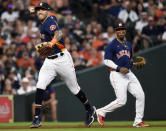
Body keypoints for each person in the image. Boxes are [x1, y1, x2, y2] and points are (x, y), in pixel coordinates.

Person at [30, 2, 95, 128]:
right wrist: (34, 9)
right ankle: (37, 118)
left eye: (42, 10)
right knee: (40, 85)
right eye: (38, 10)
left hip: (62, 59)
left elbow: (59, 34)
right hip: (49, 61)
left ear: (47, 11)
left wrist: (51, 43)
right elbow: (40, 12)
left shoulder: (50, 22)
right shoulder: (49, 18)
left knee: (74, 89)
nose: (39, 12)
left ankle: (89, 108)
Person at [96, 22, 149, 127]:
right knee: (121, 101)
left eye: (122, 29)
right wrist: (119, 68)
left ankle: (138, 121)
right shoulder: (111, 45)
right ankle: (101, 112)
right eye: (119, 29)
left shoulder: (128, 44)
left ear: (125, 31)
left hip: (128, 73)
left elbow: (127, 60)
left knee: (140, 95)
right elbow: (106, 61)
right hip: (117, 75)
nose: (121, 31)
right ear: (116, 32)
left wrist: (134, 64)